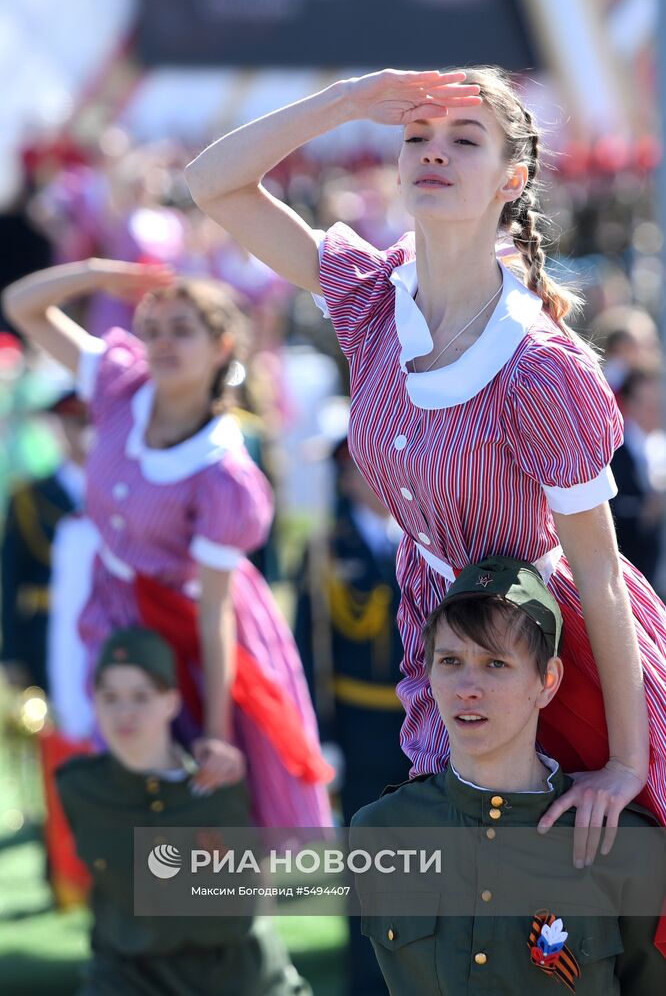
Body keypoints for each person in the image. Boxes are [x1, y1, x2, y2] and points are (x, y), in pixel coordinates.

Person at [184, 67, 666, 859]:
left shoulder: (540, 366)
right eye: (417, 138)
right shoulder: (376, 297)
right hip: (439, 647)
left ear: (513, 177)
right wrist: (346, 100)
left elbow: (601, 572)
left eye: (463, 140)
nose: (433, 153)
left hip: (550, 655)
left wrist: (623, 762)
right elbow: (212, 184)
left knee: (565, 937)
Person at [2, 261, 332, 828]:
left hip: (190, 619)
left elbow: (213, 611)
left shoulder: (223, 472)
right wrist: (101, 273)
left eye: (182, 330)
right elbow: (22, 305)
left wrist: (217, 731)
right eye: (153, 329)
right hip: (112, 604)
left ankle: (227, 912)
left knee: (206, 798)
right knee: (124, 786)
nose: (161, 343)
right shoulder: (120, 381)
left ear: (221, 346)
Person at [351, 556, 665, 995]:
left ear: (548, 681)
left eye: (495, 663)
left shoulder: (625, 846)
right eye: (450, 661)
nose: (467, 687)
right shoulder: (382, 831)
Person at [56, 625, 311, 996]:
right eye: (110, 697)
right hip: (129, 976)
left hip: (232, 974)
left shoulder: (220, 785)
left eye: (141, 696)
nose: (124, 712)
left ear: (171, 702)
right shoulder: (79, 787)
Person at [294, 436, 409, 996]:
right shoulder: (322, 552)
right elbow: (307, 655)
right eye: (362, 470)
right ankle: (367, 978)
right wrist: (323, 736)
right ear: (345, 479)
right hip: (361, 728)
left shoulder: (424, 539)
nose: (373, 479)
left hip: (424, 729)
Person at [1, 389, 89, 693]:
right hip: (44, 632)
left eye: (92, 421)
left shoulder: (126, 493)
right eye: (76, 421)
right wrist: (10, 653)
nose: (85, 431)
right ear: (60, 426)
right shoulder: (28, 497)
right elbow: (10, 579)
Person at [610, 369, 666, 588]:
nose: (654, 410)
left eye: (656, 403)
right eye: (647, 403)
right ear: (630, 404)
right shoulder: (615, 449)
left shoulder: (659, 444)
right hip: (631, 564)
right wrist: (643, 509)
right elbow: (611, 505)